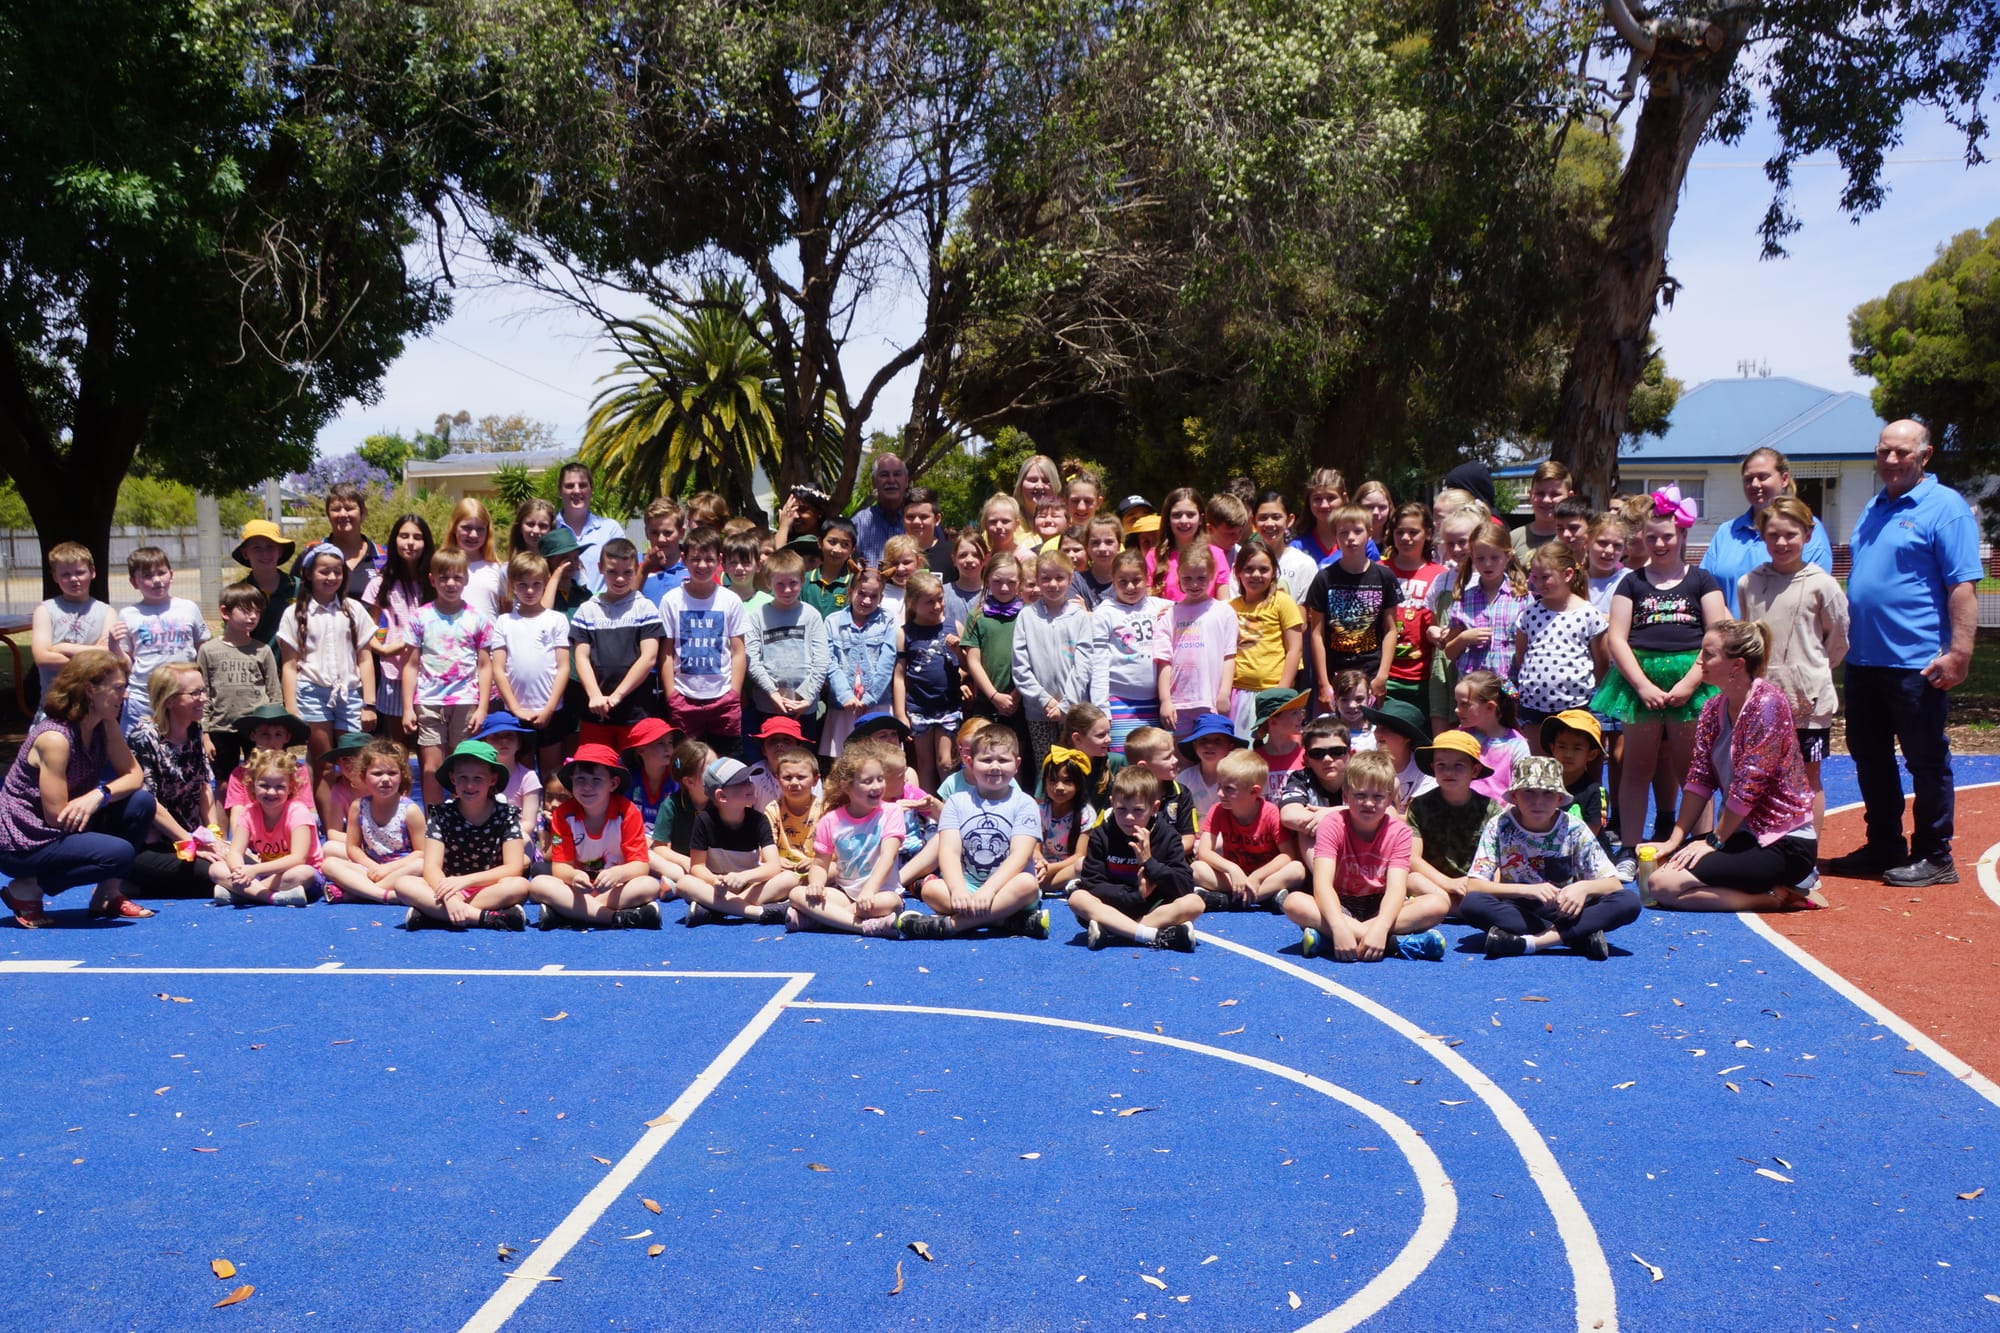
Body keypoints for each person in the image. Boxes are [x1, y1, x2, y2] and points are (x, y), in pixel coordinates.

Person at [1823, 420, 1982, 887]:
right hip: (1865, 661)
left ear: (1925, 455)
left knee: (1925, 761)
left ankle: (1935, 855)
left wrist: (1960, 653)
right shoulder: (1875, 506)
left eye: (1902, 452)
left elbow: (1962, 586)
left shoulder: (1946, 508)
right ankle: (1884, 845)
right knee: (1870, 758)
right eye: (1883, 451)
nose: (1891, 460)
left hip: (1918, 663)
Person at [1641, 620, 1825, 912]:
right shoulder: (1713, 708)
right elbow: (1699, 779)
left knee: (1664, 885)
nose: (1699, 661)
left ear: (1736, 665)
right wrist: (1674, 840)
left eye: (1708, 654)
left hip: (1783, 842)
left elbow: (1750, 784)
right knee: (1659, 865)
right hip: (1740, 835)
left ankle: (1775, 897)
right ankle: (1767, 888)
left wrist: (1714, 840)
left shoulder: (1768, 703)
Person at [1591, 494, 1726, 873]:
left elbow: (1716, 635)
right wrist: (1642, 685)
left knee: (1692, 770)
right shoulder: (1632, 583)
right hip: (1641, 683)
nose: (1660, 544)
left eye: (1667, 536)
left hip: (1692, 682)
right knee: (1636, 766)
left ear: (1682, 535)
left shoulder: (1701, 580)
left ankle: (1698, 844)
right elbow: (1617, 639)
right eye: (1651, 538)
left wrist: (1690, 682)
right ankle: (1630, 849)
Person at [0, 651, 158, 924]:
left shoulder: (104, 724)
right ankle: (27, 889)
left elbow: (134, 775)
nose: (125, 695)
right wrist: (95, 804)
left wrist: (100, 794)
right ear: (90, 690)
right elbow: (56, 817)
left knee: (141, 803)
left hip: (67, 823)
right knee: (118, 853)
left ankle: (107, 895)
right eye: (118, 688)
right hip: (26, 841)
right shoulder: (55, 739)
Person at [1737, 496, 1849, 832]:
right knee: (1759, 775)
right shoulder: (1749, 583)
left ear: (1807, 535)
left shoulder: (1822, 585)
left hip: (1807, 702)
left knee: (1806, 778)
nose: (1782, 543)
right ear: (1762, 536)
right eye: (1773, 535)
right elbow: (1749, 638)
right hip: (1761, 701)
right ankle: (1762, 844)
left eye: (1791, 534)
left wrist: (1809, 670)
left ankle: (1807, 850)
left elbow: (1837, 640)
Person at [1460, 755, 1635, 960]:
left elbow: (1613, 885)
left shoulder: (1574, 827)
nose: (1538, 801)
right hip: (1519, 908)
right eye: (1528, 792)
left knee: (1629, 901)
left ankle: (1531, 943)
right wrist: (1527, 890)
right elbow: (1475, 886)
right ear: (1515, 796)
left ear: (1559, 799)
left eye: (1548, 793)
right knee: (1472, 904)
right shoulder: (1499, 825)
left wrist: (1583, 888)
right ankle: (1578, 936)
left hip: (1567, 908)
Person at [1285, 750, 1449, 962]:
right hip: (1340, 903)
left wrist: (1381, 927)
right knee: (1294, 902)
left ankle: (1330, 939)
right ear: (1346, 796)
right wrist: (1338, 925)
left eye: (1378, 796)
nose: (1369, 803)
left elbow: (1396, 889)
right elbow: (1322, 884)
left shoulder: (1400, 832)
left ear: (1389, 799)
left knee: (1438, 904)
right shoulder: (1331, 825)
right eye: (1360, 795)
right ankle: (1395, 943)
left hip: (1380, 905)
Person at [899, 726, 1048, 939]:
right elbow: (949, 851)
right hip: (968, 887)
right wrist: (957, 888)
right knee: (931, 890)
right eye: (986, 760)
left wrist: (989, 890)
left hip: (1008, 887)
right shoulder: (956, 802)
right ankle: (1006, 920)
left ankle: (953, 925)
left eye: (1003, 760)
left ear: (1017, 765)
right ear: (970, 762)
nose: (994, 766)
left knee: (1027, 884)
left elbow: (1020, 856)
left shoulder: (1025, 803)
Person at [395, 739, 531, 931]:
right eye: (463, 777)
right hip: (445, 888)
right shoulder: (440, 814)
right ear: (452, 778)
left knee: (520, 885)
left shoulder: (507, 814)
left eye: (478, 778)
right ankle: (483, 917)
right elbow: (431, 867)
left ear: (492, 779)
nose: (469, 785)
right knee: (403, 883)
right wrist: (449, 897)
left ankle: (435, 914)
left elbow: (513, 867)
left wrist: (465, 881)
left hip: (488, 888)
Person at [529, 743, 666, 929]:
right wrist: (574, 876)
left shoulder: (628, 812)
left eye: (596, 780)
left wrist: (618, 873)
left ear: (613, 784)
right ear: (572, 780)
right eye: (580, 779)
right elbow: (561, 867)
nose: (587, 787)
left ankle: (571, 914)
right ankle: (615, 918)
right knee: (538, 884)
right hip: (577, 890)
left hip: (613, 890)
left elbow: (640, 865)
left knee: (649, 885)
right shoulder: (563, 814)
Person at [1068, 765, 1201, 952]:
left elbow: (1184, 886)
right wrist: (1135, 895)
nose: (1129, 817)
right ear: (1112, 803)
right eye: (1121, 809)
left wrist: (1149, 862)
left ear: (1154, 808)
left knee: (1195, 903)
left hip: (1153, 909)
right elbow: (1093, 884)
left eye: (1138, 810)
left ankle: (1116, 931)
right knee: (1077, 898)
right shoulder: (1101, 835)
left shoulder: (1168, 836)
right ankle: (1152, 935)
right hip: (1112, 906)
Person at [400, 548, 496, 806]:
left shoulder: (478, 618)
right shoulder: (420, 617)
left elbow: (485, 665)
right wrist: (408, 708)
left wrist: (482, 707)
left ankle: (460, 818)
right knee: (431, 768)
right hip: (428, 701)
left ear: (466, 579)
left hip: (465, 700)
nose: (450, 584)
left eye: (456, 577)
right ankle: (435, 820)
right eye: (444, 578)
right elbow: (410, 665)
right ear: (433, 580)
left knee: (463, 767)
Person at [124, 661, 222, 899]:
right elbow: (150, 804)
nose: (203, 698)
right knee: (220, 874)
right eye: (195, 693)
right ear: (169, 701)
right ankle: (135, 883)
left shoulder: (194, 731)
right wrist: (189, 842)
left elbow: (204, 788)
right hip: (154, 846)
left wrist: (214, 836)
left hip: (190, 838)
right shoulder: (143, 738)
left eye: (203, 691)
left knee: (242, 860)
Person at [1700, 447, 1837, 616]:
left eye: (1763, 477)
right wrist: (1732, 628)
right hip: (1729, 631)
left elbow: (1814, 595)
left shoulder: (1806, 528)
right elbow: (1706, 588)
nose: (1755, 484)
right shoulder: (1726, 532)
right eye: (1748, 479)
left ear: (1784, 479)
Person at [277, 542, 378, 765]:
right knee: (323, 763)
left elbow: (365, 658)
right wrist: (291, 708)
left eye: (337, 571)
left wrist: (369, 704)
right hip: (311, 694)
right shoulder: (294, 613)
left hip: (349, 694)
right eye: (324, 571)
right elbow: (289, 665)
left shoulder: (353, 609)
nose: (331, 577)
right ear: (309, 574)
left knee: (354, 762)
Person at [792, 742, 905, 936]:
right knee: (796, 894)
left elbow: (888, 856)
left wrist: (869, 891)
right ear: (847, 786)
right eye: (867, 781)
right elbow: (820, 863)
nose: (877, 786)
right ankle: (864, 926)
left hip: (880, 893)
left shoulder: (891, 812)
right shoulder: (830, 820)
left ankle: (822, 919)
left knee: (890, 902)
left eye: (880, 779)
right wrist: (816, 884)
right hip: (845, 895)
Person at [570, 536, 665, 751]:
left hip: (635, 712)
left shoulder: (645, 608)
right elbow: (581, 657)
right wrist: (595, 695)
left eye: (627, 572)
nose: (620, 578)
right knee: (595, 765)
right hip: (595, 712)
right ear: (600, 568)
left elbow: (649, 657)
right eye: (612, 571)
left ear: (637, 569)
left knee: (633, 767)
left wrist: (617, 696)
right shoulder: (587, 610)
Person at [677, 756, 796, 926]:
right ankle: (757, 912)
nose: (751, 785)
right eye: (742, 782)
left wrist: (743, 877)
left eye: (749, 780)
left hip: (748, 886)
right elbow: (697, 867)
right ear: (721, 795)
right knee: (684, 883)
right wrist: (715, 881)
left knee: (790, 878)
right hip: (717, 889)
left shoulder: (759, 820)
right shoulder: (704, 821)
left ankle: (717, 910)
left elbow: (773, 866)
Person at [209, 748, 324, 907]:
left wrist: (255, 871)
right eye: (264, 785)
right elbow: (235, 852)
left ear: (290, 787)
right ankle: (271, 897)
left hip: (299, 874)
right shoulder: (248, 812)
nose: (271, 792)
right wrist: (239, 871)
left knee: (302, 873)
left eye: (279, 787)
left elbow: (298, 858)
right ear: (252, 785)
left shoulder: (298, 813)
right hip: (267, 874)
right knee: (216, 869)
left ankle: (243, 893)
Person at [1193, 749, 1303, 909]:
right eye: (1219, 785)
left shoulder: (1270, 812)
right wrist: (1232, 869)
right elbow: (1204, 852)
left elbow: (1288, 855)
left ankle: (1229, 900)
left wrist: (1257, 876)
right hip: (1234, 877)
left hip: (1265, 877)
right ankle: (1265, 897)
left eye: (1229, 789)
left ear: (1254, 791)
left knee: (1297, 870)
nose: (1220, 793)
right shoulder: (1217, 810)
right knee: (1196, 869)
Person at [114, 546, 209, 730]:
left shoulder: (188, 608)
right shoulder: (128, 614)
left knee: (185, 742)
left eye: (161, 573)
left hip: (184, 696)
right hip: (143, 698)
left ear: (171, 574)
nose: (157, 580)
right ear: (134, 582)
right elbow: (127, 661)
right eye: (147, 576)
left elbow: (201, 650)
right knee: (139, 744)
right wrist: (114, 646)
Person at [323, 738, 425, 905]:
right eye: (377, 774)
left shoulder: (410, 810)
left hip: (400, 869)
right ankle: (385, 895)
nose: (385, 779)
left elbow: (421, 851)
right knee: (330, 864)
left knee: (421, 865)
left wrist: (388, 868)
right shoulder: (358, 807)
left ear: (401, 776)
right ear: (363, 777)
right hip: (371, 868)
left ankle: (358, 893)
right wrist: (373, 867)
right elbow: (353, 847)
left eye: (392, 773)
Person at [198, 581, 282, 780]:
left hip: (258, 727)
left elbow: (274, 692)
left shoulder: (263, 650)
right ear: (225, 612)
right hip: (221, 727)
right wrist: (205, 734)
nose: (252, 616)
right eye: (245, 611)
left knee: (260, 777)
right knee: (224, 782)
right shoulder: (208, 650)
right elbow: (203, 694)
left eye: (257, 612)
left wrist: (273, 729)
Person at [365, 514, 434, 737]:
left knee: (429, 741)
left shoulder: (435, 582)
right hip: (393, 672)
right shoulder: (379, 583)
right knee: (398, 743)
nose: (410, 542)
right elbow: (368, 629)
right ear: (394, 540)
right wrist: (383, 649)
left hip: (431, 673)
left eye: (417, 537)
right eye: (404, 536)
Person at [30, 541, 111, 720]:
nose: (74, 579)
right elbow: (42, 657)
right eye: (65, 574)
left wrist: (62, 647)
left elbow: (108, 657)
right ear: (55, 577)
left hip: (95, 707)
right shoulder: (45, 611)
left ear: (92, 572)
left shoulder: (107, 612)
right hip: (55, 705)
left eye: (80, 572)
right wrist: (93, 657)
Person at [291, 481, 384, 600]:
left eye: (349, 508)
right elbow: (293, 595)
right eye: (336, 509)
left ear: (363, 513)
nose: (343, 514)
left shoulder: (382, 556)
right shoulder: (311, 554)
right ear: (328, 515)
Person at [555, 462, 627, 594]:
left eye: (582, 485)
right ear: (560, 490)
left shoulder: (610, 530)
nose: (577, 491)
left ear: (591, 489)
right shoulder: (549, 529)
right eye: (570, 486)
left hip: (603, 606)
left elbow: (624, 571)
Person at [230, 520, 298, 647]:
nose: (264, 553)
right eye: (257, 548)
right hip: (252, 659)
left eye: (270, 547)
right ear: (245, 553)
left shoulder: (299, 588)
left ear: (280, 551)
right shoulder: (238, 594)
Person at [851, 452, 911, 566]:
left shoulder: (919, 524)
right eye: (884, 475)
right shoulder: (858, 523)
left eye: (897, 474)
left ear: (906, 481)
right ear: (873, 482)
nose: (891, 480)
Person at [1509, 461, 1573, 564]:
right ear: (1531, 495)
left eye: (1555, 494)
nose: (1546, 500)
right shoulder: (1513, 539)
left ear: (1570, 497)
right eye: (1540, 493)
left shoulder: (1578, 539)